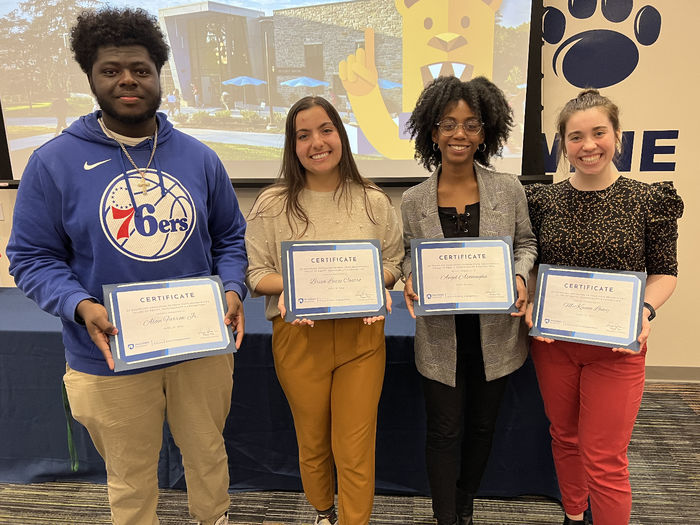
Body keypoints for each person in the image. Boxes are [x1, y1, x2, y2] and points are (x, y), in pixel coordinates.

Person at [6, 8, 248, 525]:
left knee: (208, 457)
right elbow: (30, 257)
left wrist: (231, 288)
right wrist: (80, 304)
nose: (127, 80)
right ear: (91, 78)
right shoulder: (52, 163)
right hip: (108, 355)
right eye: (111, 70)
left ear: (159, 74)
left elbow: (230, 237)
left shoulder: (200, 158)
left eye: (140, 69)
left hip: (199, 348)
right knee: (130, 475)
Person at [524, 89, 683, 525]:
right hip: (554, 344)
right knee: (565, 437)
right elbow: (535, 266)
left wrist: (645, 311)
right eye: (576, 137)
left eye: (599, 133)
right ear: (563, 144)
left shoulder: (648, 200)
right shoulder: (544, 202)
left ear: (618, 136)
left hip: (617, 350)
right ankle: (574, 515)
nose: (588, 145)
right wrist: (531, 295)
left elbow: (665, 272)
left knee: (606, 457)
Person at [244, 95, 403, 525]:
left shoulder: (372, 200)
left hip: (361, 338)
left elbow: (393, 262)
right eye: (303, 135)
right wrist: (299, 288)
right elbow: (256, 275)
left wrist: (380, 283)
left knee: (354, 446)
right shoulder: (271, 205)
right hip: (299, 338)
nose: (317, 142)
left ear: (341, 135)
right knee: (313, 442)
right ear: (292, 145)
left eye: (326, 130)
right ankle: (322, 512)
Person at [401, 75, 537, 525]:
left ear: (486, 132)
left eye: (472, 125)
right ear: (432, 131)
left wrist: (519, 275)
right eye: (449, 124)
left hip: (496, 334)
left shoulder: (508, 188)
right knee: (444, 431)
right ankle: (446, 518)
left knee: (481, 428)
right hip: (441, 338)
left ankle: (465, 502)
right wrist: (407, 278)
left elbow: (527, 243)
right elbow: (404, 256)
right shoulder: (412, 199)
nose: (460, 134)